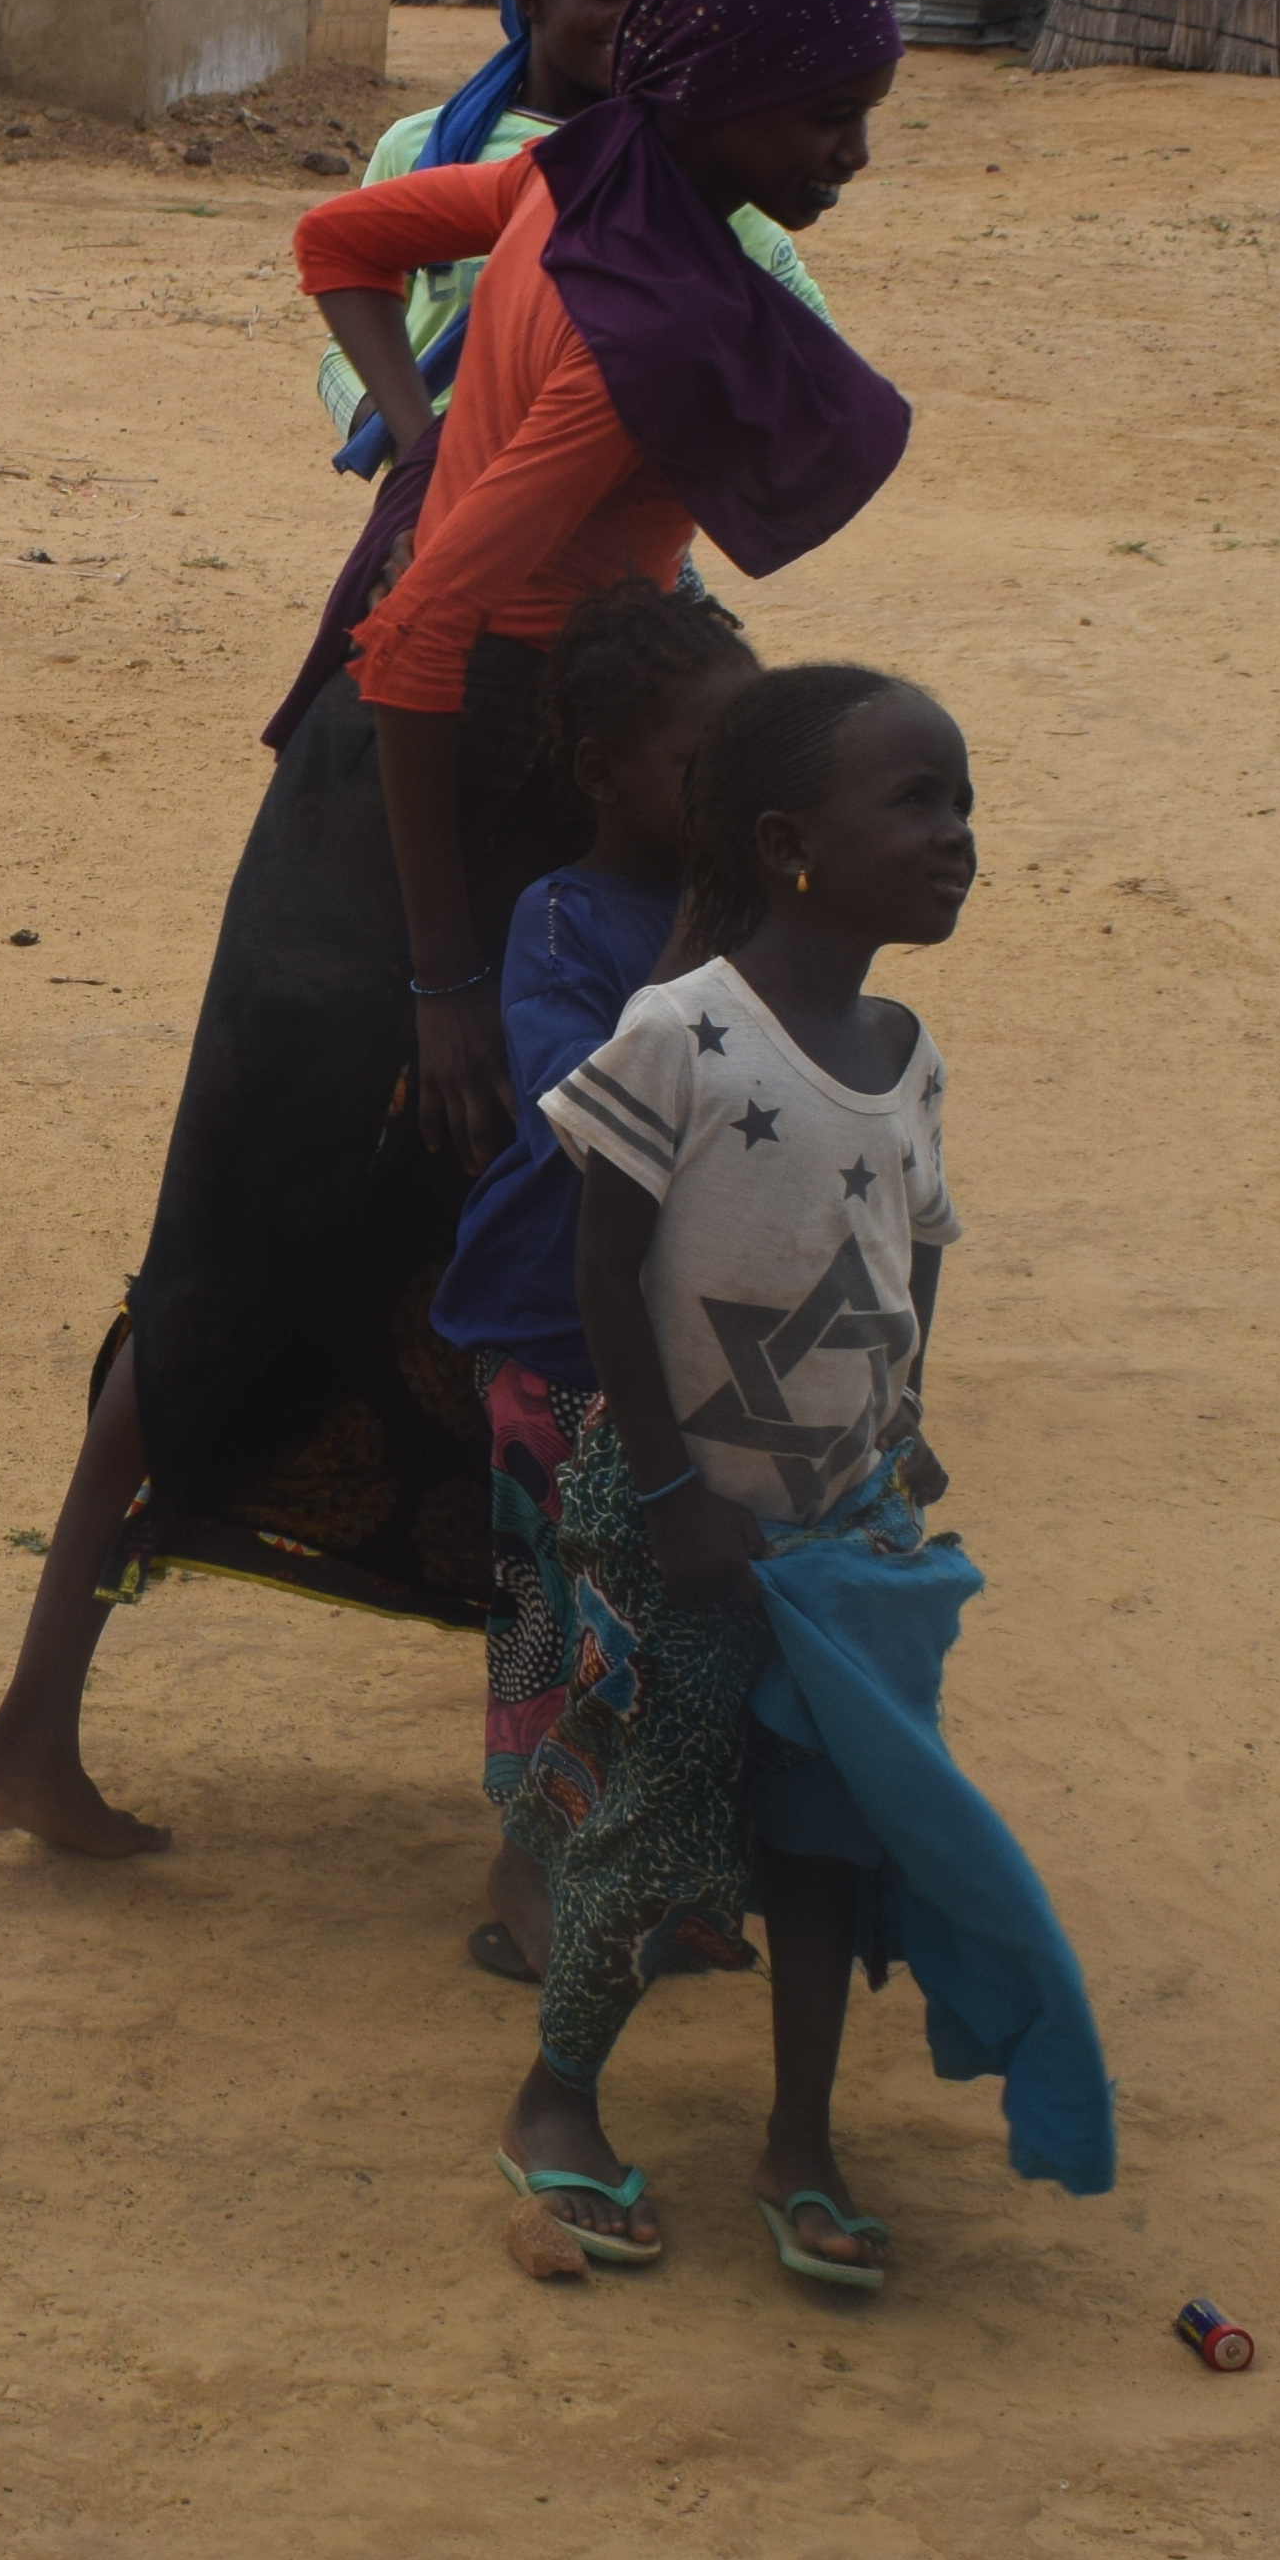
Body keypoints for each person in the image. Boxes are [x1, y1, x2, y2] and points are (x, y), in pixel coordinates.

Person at [0, 0, 913, 1860]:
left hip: (534, 785)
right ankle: (33, 1731)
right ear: (722, 92)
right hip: (423, 800)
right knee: (244, 1256)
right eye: (826, 112)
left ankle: (573, 1786)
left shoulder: (581, 187)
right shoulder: (636, 310)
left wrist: (416, 427)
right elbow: (417, 637)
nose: (849, 150)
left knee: (546, 1270)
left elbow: (332, 235)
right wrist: (440, 977)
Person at [504, 664, 1107, 2284]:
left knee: (833, 1833)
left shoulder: (906, 1055)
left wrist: (897, 1442)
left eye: (964, 802)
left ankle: (803, 2137)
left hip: (844, 1535)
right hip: (683, 1525)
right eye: (914, 802)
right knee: (663, 1815)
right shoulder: (680, 1035)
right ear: (788, 842)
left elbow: (913, 1255)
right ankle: (558, 2097)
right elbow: (603, 1271)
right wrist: (669, 1487)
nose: (956, 836)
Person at [433, 575, 761, 1984]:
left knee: (673, 1617)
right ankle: (528, 1867)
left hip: (686, 1345)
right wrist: (706, 920)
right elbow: (599, 1107)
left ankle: (647, 1863)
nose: (733, 798)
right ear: (602, 774)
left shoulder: (773, 932)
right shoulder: (563, 921)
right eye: (703, 768)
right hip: (558, 1325)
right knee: (556, 1624)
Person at [305, 0, 691, 464]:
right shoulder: (417, 148)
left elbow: (788, 338)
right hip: (436, 508)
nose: (637, 18)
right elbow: (348, 342)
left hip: (611, 515)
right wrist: (419, 455)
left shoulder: (682, 160)